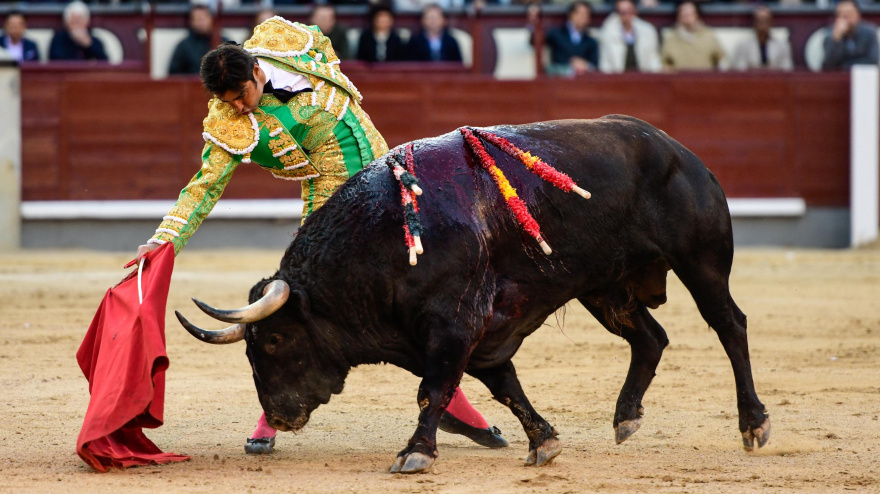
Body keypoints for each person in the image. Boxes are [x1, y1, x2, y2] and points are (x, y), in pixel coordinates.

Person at [134, 16, 507, 456]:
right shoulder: (228, 123)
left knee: (419, 290)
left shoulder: (283, 40)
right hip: (332, 204)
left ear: (256, 70)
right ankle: (274, 415)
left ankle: (447, 401)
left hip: (385, 173)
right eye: (227, 101)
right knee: (306, 303)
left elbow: (323, 43)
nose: (237, 108)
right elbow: (204, 186)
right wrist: (165, 240)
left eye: (241, 96)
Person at [599, 0, 661, 73]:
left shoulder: (648, 31)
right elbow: (605, 64)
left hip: (643, 77)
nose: (627, 16)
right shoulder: (608, 32)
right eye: (623, 13)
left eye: (629, 11)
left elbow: (653, 59)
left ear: (635, 11)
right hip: (617, 78)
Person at [660, 1, 724, 71]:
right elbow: (663, 64)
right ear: (678, 16)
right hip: (679, 79)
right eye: (684, 14)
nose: (687, 18)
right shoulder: (670, 38)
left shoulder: (709, 36)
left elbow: (722, 61)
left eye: (690, 14)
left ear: (697, 15)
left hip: (706, 79)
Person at [544, 2, 599, 76]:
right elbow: (534, 41)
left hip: (582, 82)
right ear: (571, 15)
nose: (583, 17)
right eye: (580, 14)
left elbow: (595, 68)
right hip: (558, 81)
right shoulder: (557, 34)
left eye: (586, 15)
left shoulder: (591, 42)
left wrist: (585, 65)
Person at [731, 6, 793, 71]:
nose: (762, 25)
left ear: (771, 23)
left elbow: (787, 70)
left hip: (775, 79)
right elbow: (739, 70)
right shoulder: (743, 45)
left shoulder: (782, 45)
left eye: (765, 21)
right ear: (754, 23)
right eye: (759, 21)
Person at [822, 0, 879, 71]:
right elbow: (829, 64)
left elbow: (872, 60)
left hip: (863, 75)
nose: (847, 18)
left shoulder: (870, 32)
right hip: (838, 77)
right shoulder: (829, 33)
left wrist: (846, 66)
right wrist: (836, 39)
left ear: (858, 15)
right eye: (843, 15)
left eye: (850, 13)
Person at [169, 5, 223, 75]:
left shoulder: (223, 43)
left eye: (203, 18)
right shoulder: (184, 46)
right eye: (197, 19)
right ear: (191, 21)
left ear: (211, 19)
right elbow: (173, 75)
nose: (200, 22)